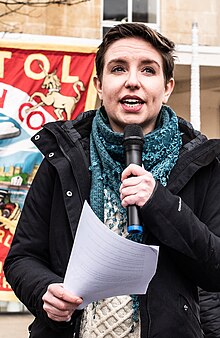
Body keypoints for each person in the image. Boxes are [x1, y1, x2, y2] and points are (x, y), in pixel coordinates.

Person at [4, 22, 220, 338]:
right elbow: (23, 257)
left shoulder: (202, 162)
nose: (132, 82)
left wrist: (159, 203)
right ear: (99, 84)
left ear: (167, 87)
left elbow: (215, 269)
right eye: (118, 69)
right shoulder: (62, 155)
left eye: (148, 71)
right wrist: (44, 290)